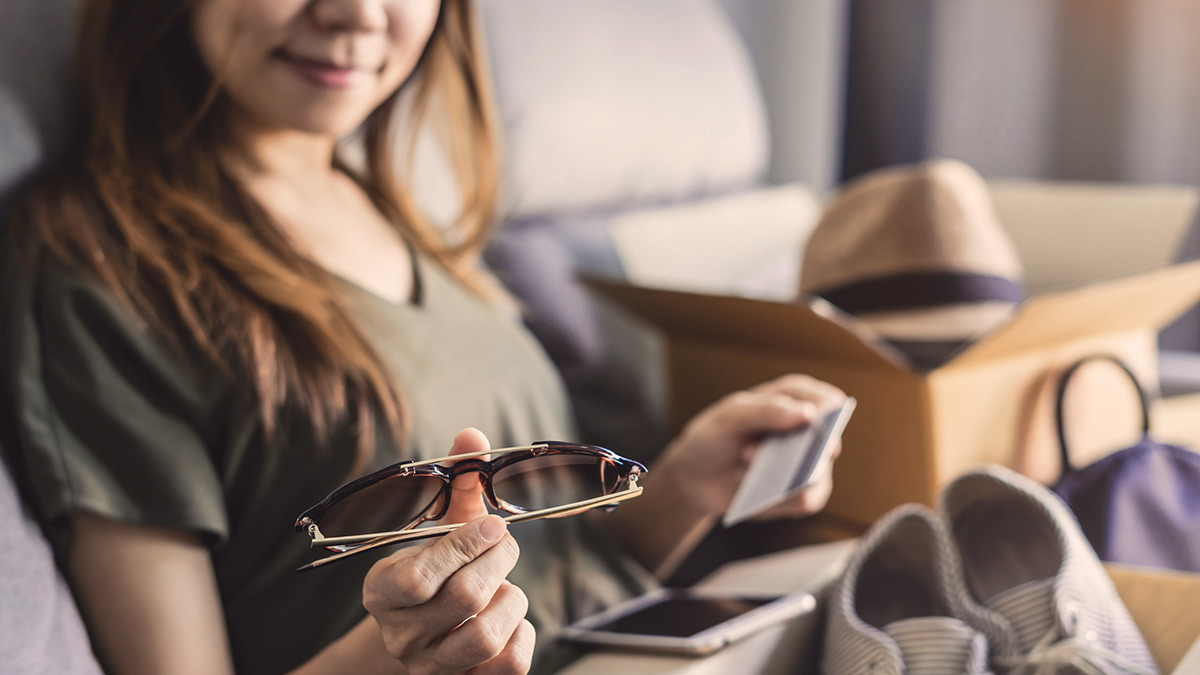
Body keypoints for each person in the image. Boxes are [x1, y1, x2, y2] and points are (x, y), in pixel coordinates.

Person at [0, 1, 847, 674]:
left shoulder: (403, 219)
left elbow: (545, 572)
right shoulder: (102, 263)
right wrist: (397, 653)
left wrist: (681, 492)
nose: (358, 13)